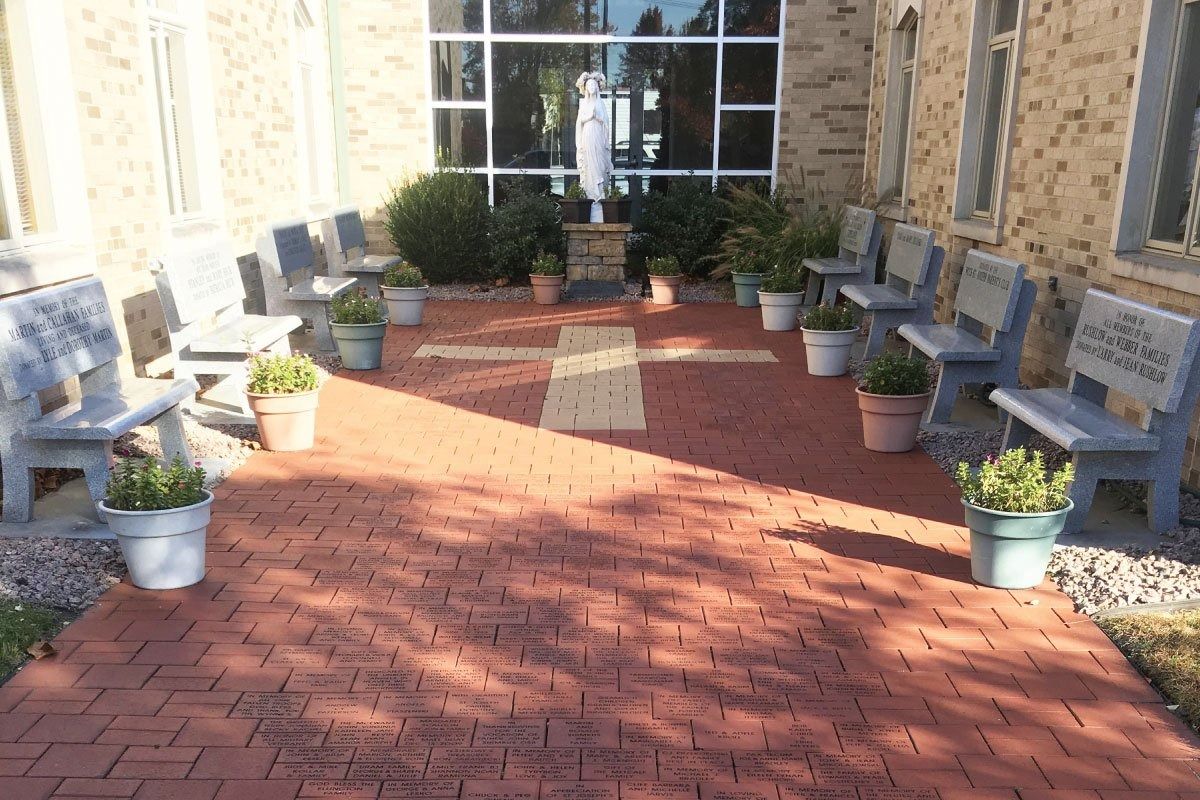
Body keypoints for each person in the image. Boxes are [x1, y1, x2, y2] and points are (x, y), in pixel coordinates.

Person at [575, 71, 613, 203]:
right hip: (588, 136)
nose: (591, 88)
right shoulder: (584, 104)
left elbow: (606, 122)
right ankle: (590, 193)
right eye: (589, 86)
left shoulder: (600, 104)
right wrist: (589, 117)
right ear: (586, 89)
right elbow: (579, 123)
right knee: (589, 164)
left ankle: (600, 192)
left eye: (593, 85)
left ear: (597, 88)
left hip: (598, 135)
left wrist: (598, 117)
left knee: (600, 163)